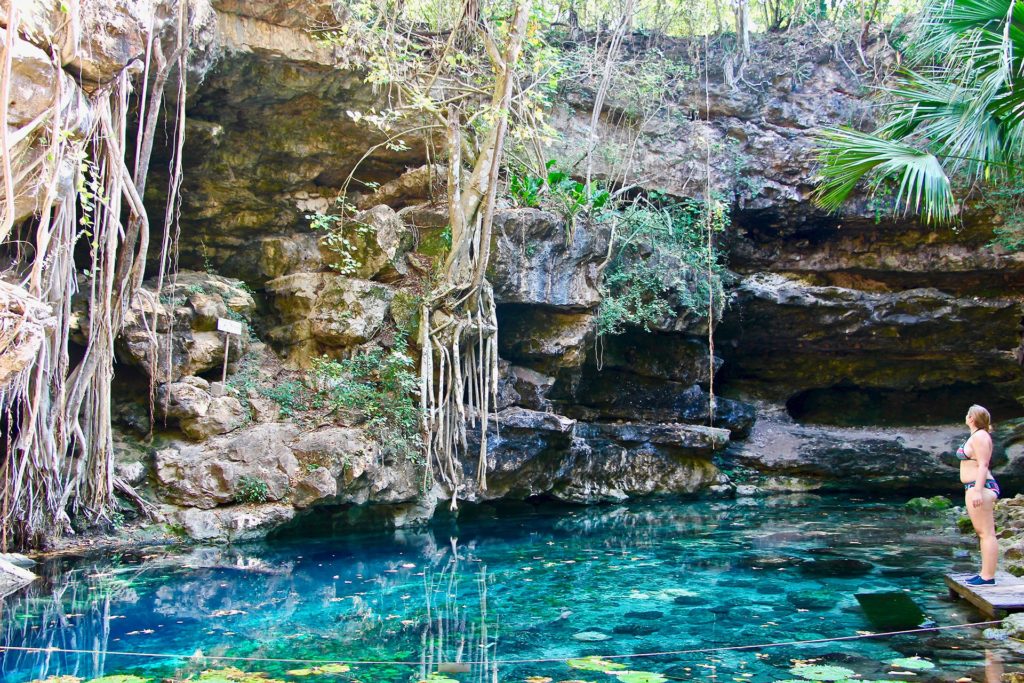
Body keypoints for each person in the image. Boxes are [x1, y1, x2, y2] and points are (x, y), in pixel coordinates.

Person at [957, 404, 1000, 586]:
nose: (966, 417)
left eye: (968, 414)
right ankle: (984, 573)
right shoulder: (977, 436)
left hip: (979, 487)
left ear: (972, 418)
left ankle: (988, 577)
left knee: (986, 534)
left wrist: (977, 491)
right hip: (975, 486)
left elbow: (983, 465)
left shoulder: (980, 436)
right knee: (982, 533)